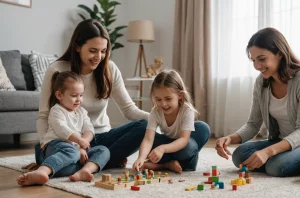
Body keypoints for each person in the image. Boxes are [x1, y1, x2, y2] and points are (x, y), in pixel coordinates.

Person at [215, 27, 300, 177]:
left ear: (280, 54)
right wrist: (230, 138)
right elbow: (253, 124)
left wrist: (267, 152)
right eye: (253, 60)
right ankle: (288, 160)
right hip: (284, 141)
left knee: (277, 166)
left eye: (262, 59)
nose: (257, 66)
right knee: (240, 155)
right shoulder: (261, 82)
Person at [28, 19, 149, 171]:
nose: (99, 56)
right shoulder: (57, 70)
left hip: (100, 138)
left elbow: (129, 109)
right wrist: (44, 146)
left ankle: (87, 162)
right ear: (77, 46)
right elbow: (44, 115)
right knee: (68, 155)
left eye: (103, 51)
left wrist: (159, 119)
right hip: (66, 141)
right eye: (93, 50)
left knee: (145, 125)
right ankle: (99, 162)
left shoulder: (109, 69)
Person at [17, 71, 110, 186]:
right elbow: (62, 129)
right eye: (74, 95)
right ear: (59, 95)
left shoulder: (82, 111)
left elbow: (89, 129)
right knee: (72, 153)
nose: (79, 99)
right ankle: (42, 171)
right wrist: (79, 141)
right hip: (56, 145)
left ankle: (84, 171)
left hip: (75, 152)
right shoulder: (56, 110)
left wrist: (82, 146)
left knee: (103, 150)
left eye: (81, 95)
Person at [132, 70, 210, 173]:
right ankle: (167, 164)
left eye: (168, 99)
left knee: (200, 131)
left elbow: (183, 140)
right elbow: (148, 139)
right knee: (143, 135)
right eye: (158, 100)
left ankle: (161, 165)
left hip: (180, 146)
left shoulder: (187, 111)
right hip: (167, 143)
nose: (163, 104)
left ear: (180, 95)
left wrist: (163, 149)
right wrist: (141, 157)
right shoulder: (155, 112)